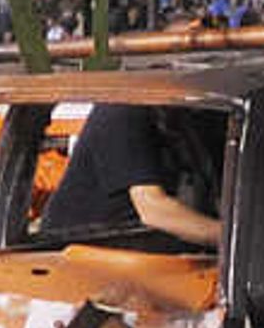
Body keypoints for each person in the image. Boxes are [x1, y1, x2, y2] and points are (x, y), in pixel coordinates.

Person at [38, 99, 223, 245]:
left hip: (147, 246)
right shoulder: (123, 109)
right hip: (83, 253)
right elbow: (153, 209)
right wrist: (230, 239)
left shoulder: (195, 116)